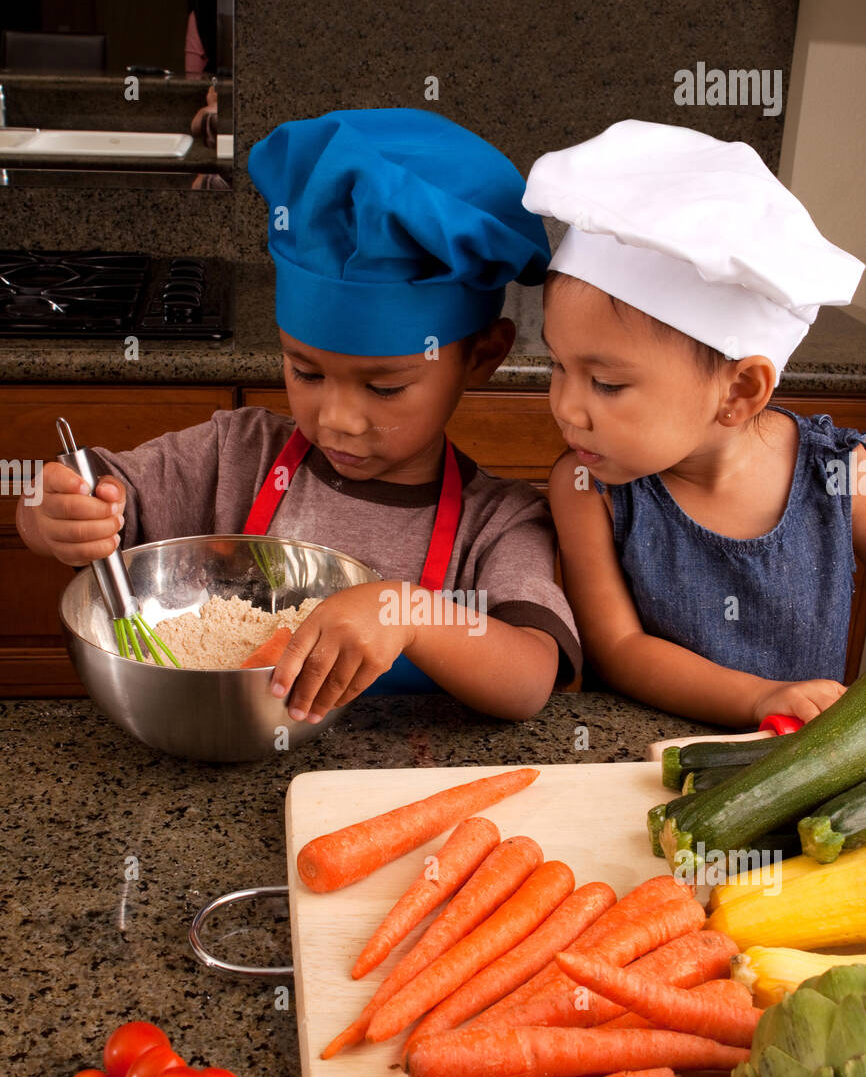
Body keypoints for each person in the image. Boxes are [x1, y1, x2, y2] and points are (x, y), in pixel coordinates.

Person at [17, 108, 580, 724]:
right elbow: (87, 493)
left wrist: (406, 612)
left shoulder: (497, 522)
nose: (335, 419)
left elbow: (529, 680)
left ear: (484, 356)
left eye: (385, 387)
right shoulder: (237, 454)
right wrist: (52, 512)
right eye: (306, 372)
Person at [524, 120, 866, 728]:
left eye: (606, 384)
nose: (566, 408)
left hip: (792, 780)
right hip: (631, 769)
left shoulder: (840, 478)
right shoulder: (588, 490)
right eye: (557, 365)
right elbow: (620, 650)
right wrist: (759, 699)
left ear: (739, 391)